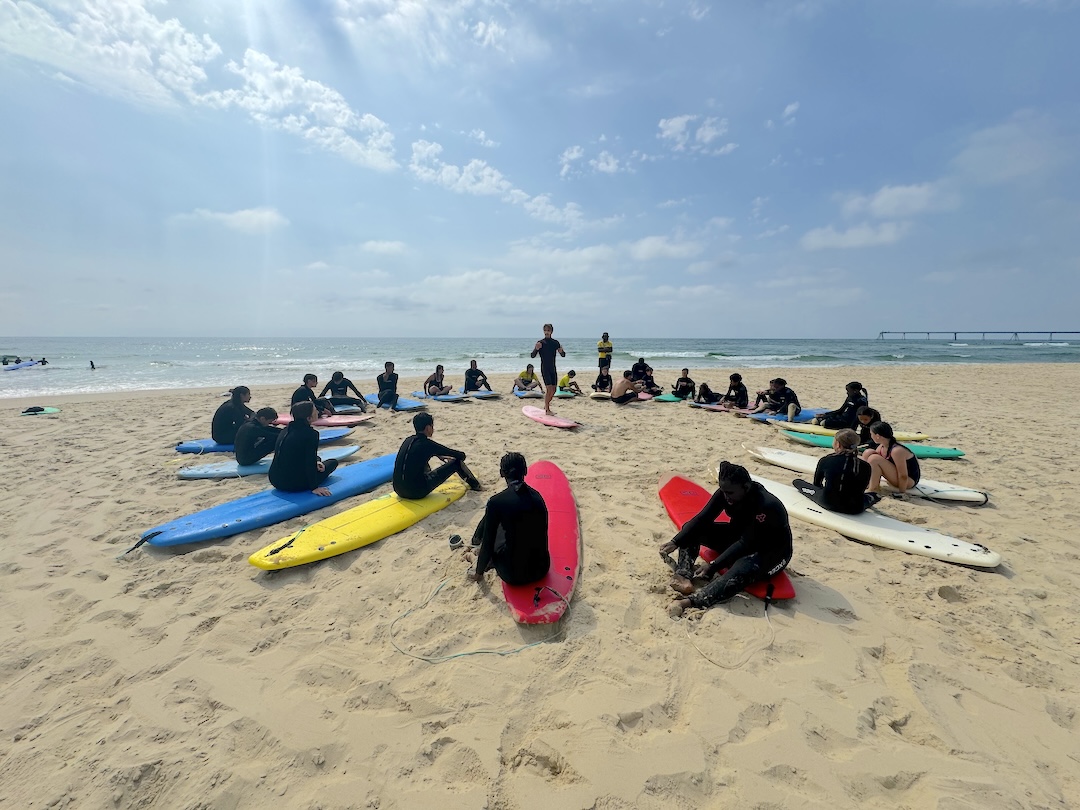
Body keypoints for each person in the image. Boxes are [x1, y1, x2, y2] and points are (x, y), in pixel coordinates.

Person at [661, 461, 793, 618]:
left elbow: (746, 543)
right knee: (692, 529)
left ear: (746, 487)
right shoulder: (725, 493)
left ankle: (691, 602)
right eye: (723, 491)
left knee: (741, 568)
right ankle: (683, 573)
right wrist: (676, 541)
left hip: (770, 551)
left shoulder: (766, 506)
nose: (725, 496)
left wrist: (713, 566)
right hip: (738, 538)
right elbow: (702, 519)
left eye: (730, 493)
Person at [467, 453, 550, 586]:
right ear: (526, 471)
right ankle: (476, 539)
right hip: (541, 570)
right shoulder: (537, 497)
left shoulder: (496, 501)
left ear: (501, 473)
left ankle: (476, 540)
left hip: (512, 575)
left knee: (493, 523)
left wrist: (478, 574)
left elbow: (488, 543)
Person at [393, 412, 482, 498]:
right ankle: (476, 486)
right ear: (428, 428)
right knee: (457, 463)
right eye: (432, 426)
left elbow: (420, 452)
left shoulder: (408, 440)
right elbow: (461, 455)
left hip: (398, 490)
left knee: (419, 462)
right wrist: (441, 454)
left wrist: (437, 454)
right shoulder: (428, 444)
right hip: (417, 492)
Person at [793, 429, 877, 514]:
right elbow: (861, 489)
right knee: (873, 496)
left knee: (797, 482)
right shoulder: (866, 466)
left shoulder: (826, 460)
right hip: (855, 508)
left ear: (838, 444)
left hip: (828, 502)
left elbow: (817, 484)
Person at [268, 402, 338, 496]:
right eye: (315, 411)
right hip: (294, 484)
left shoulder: (285, 430)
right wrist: (314, 487)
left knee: (318, 459)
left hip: (275, 480)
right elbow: (309, 462)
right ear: (308, 418)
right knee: (332, 462)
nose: (317, 411)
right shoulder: (311, 434)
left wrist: (316, 462)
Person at [862, 422, 920, 494]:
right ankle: (866, 483)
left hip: (908, 481)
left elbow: (903, 475)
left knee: (874, 459)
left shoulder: (897, 451)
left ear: (877, 436)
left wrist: (901, 493)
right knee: (868, 452)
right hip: (896, 476)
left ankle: (873, 489)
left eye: (871, 434)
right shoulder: (882, 446)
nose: (871, 436)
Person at [530, 323, 566, 415]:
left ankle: (546, 405)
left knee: (553, 390)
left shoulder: (555, 343)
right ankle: (547, 410)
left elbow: (563, 355)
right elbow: (532, 356)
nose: (546, 332)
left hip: (553, 368)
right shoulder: (541, 343)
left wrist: (561, 351)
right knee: (549, 389)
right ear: (543, 331)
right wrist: (536, 349)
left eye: (548, 330)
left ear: (551, 331)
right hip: (545, 368)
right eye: (545, 330)